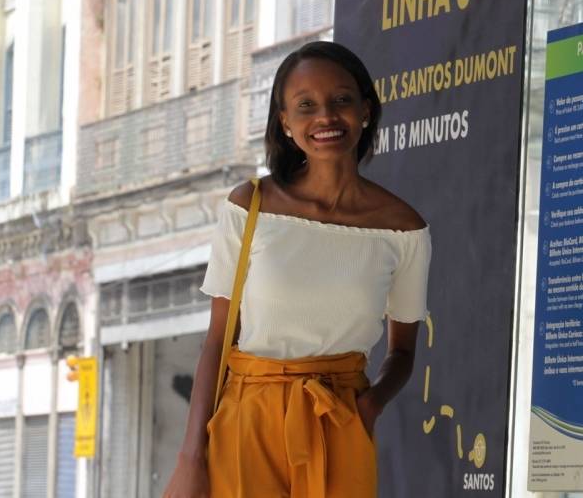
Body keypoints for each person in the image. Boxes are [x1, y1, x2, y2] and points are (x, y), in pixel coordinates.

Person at [164, 41, 431, 497]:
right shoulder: (249, 207)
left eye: (341, 100)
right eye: (306, 106)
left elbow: (402, 355)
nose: (325, 116)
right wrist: (190, 458)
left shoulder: (403, 228)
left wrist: (368, 408)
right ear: (285, 122)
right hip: (248, 420)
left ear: (365, 109)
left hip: (340, 418)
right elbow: (217, 340)